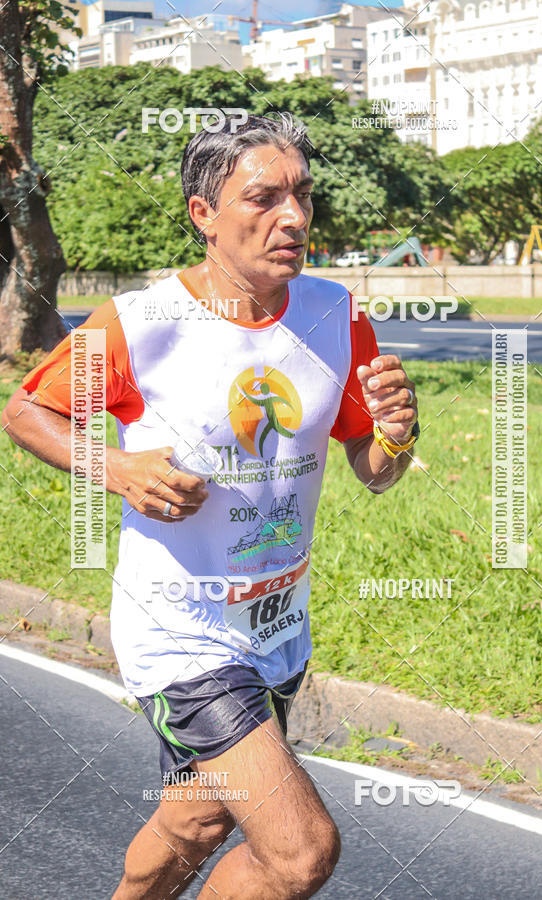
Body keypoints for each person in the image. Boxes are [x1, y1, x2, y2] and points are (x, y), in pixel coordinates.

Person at [2, 112, 419, 900]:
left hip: (275, 627)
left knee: (198, 823)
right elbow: (28, 411)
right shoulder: (144, 325)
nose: (292, 217)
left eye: (301, 195)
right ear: (204, 215)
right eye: (263, 199)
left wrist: (398, 432)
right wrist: (117, 467)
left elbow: (373, 469)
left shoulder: (337, 314)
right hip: (180, 628)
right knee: (300, 852)